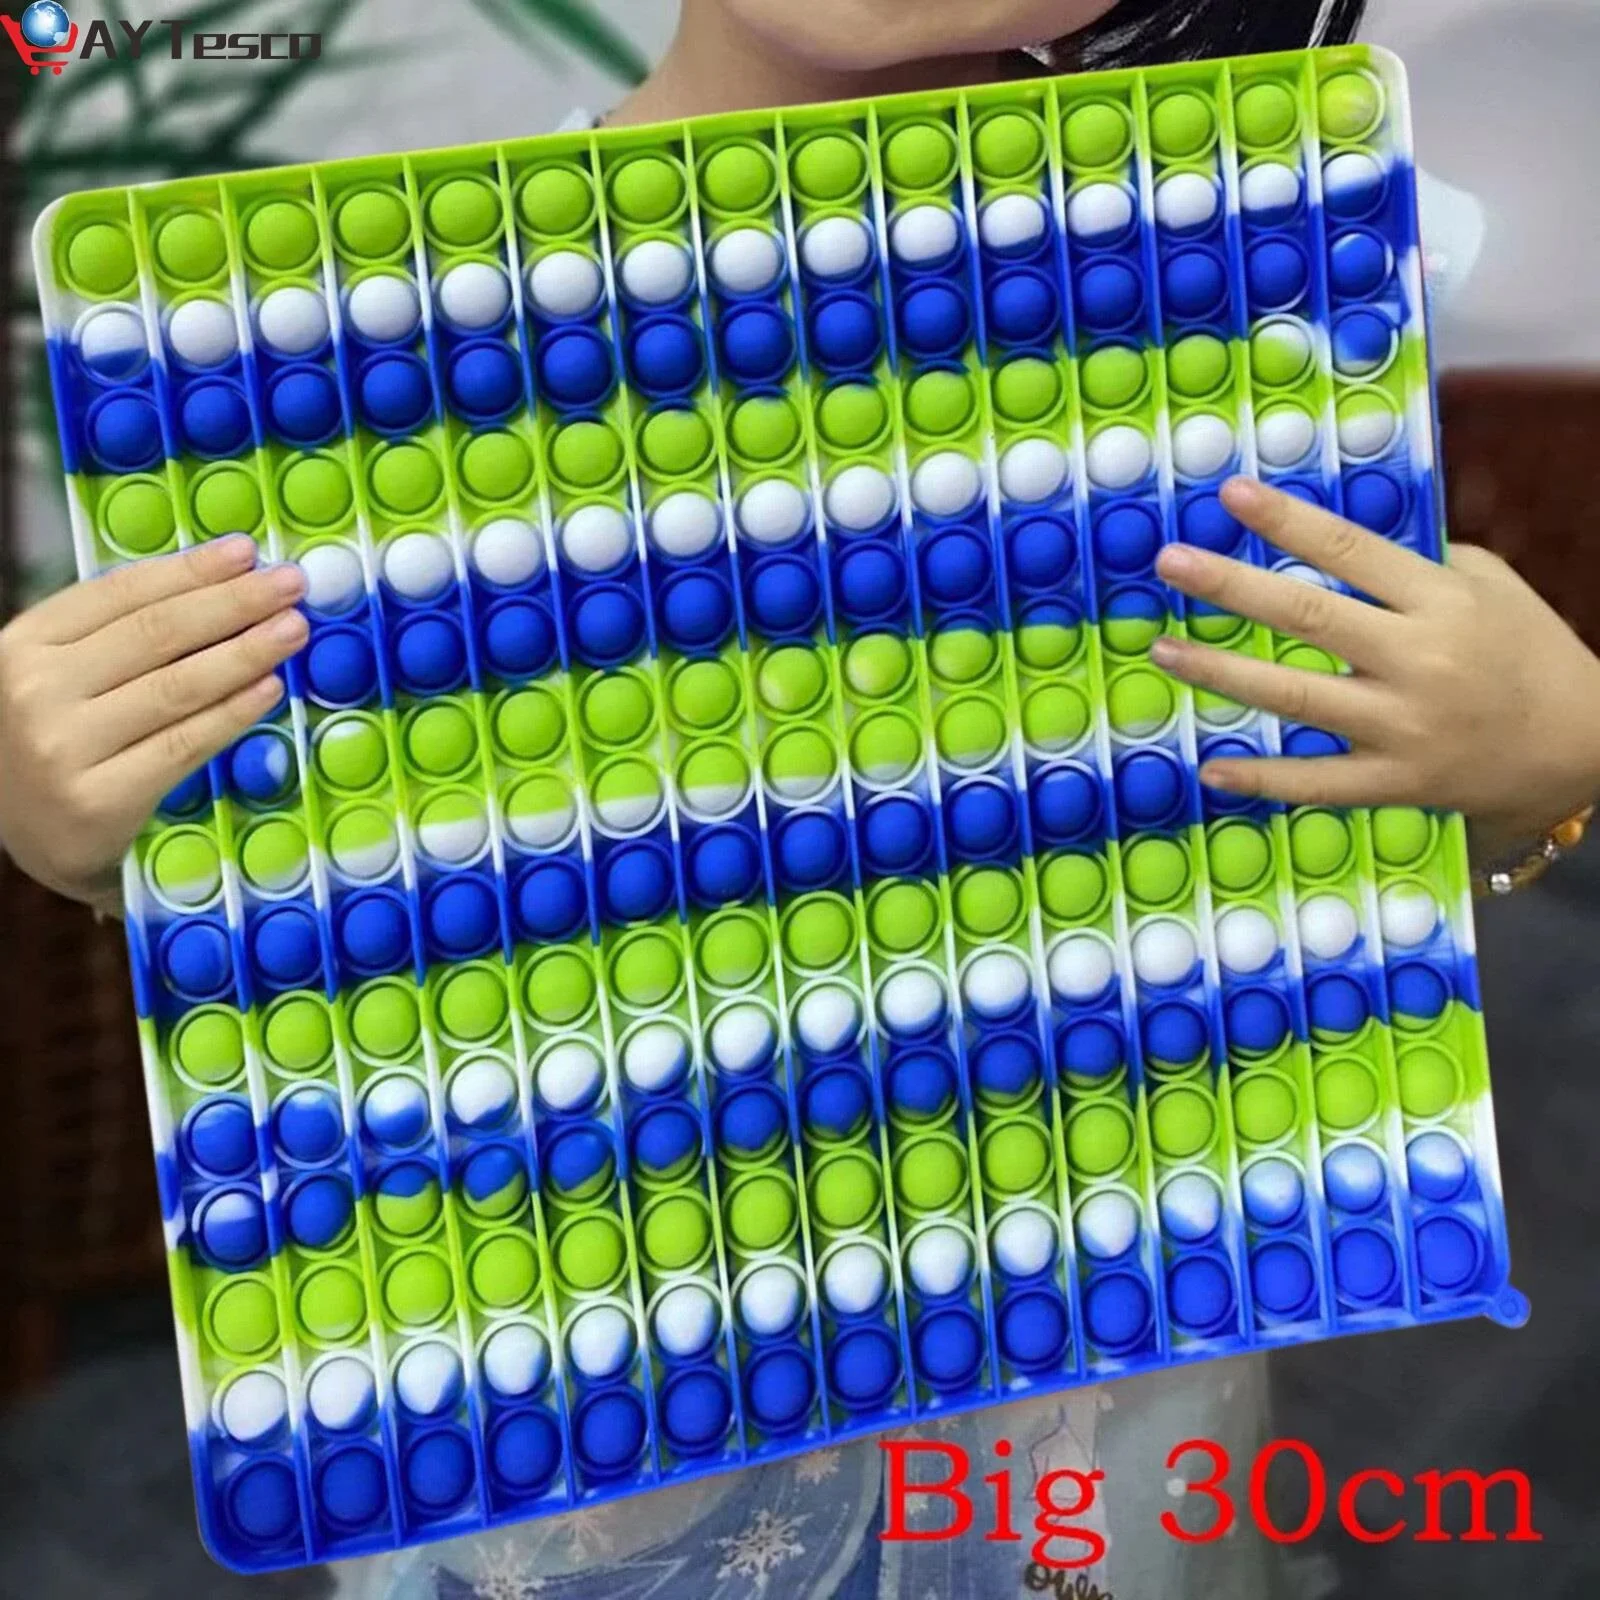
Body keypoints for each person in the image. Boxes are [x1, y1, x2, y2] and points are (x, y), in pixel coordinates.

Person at [1, 1, 1594, 1596]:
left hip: (1093, 1418)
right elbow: (328, 898)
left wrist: (1547, 765)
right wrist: (101, 835)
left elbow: (1294, 863)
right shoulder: (345, 342)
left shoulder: (1253, 272)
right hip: (566, 1419)